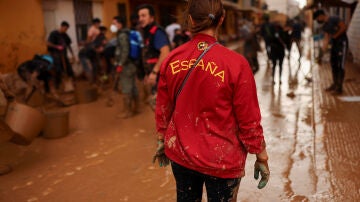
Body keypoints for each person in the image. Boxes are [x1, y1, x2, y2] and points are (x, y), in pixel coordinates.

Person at [153, 0, 270, 201]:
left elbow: (163, 108)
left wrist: (162, 139)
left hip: (181, 155)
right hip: (222, 160)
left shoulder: (171, 59)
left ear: (189, 20)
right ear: (221, 19)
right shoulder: (236, 64)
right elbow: (248, 118)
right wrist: (260, 154)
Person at [137, 4, 170, 110]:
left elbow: (165, 52)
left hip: (161, 78)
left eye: (143, 16)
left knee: (163, 109)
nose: (140, 19)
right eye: (139, 16)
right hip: (155, 78)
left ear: (151, 17)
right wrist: (148, 74)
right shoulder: (147, 33)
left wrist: (154, 72)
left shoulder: (157, 32)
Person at [313, 9, 348, 95]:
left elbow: (344, 27)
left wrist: (335, 36)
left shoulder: (334, 18)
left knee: (340, 65)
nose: (317, 21)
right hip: (334, 45)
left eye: (317, 18)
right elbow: (326, 39)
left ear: (321, 16)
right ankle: (335, 84)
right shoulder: (325, 26)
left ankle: (339, 87)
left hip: (342, 43)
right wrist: (320, 55)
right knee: (333, 63)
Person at [111, 16, 139, 118]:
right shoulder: (127, 32)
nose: (113, 26)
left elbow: (125, 51)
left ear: (120, 24)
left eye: (114, 23)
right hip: (131, 64)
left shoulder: (122, 35)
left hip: (126, 65)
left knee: (126, 88)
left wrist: (120, 64)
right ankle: (137, 108)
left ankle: (128, 111)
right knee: (133, 86)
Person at [47, 21, 75, 90]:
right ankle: (57, 86)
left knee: (69, 70)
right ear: (61, 27)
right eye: (65, 28)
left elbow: (68, 45)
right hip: (55, 54)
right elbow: (48, 43)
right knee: (58, 69)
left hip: (63, 54)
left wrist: (72, 54)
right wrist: (57, 47)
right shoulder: (54, 34)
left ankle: (71, 85)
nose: (66, 30)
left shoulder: (65, 35)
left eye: (67, 29)